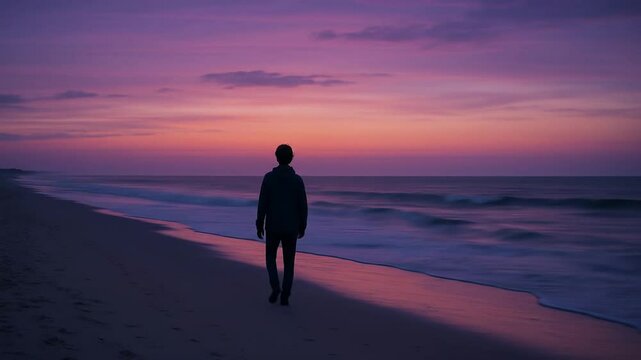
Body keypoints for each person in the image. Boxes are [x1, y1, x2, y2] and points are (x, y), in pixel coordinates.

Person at [256, 144, 308, 306]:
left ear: (276, 157)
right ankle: (285, 294)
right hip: (291, 227)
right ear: (291, 157)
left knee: (270, 258)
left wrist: (259, 222)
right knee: (289, 262)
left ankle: (275, 286)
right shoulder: (297, 180)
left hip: (272, 226)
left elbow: (262, 203)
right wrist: (303, 225)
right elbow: (303, 205)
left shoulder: (269, 178)